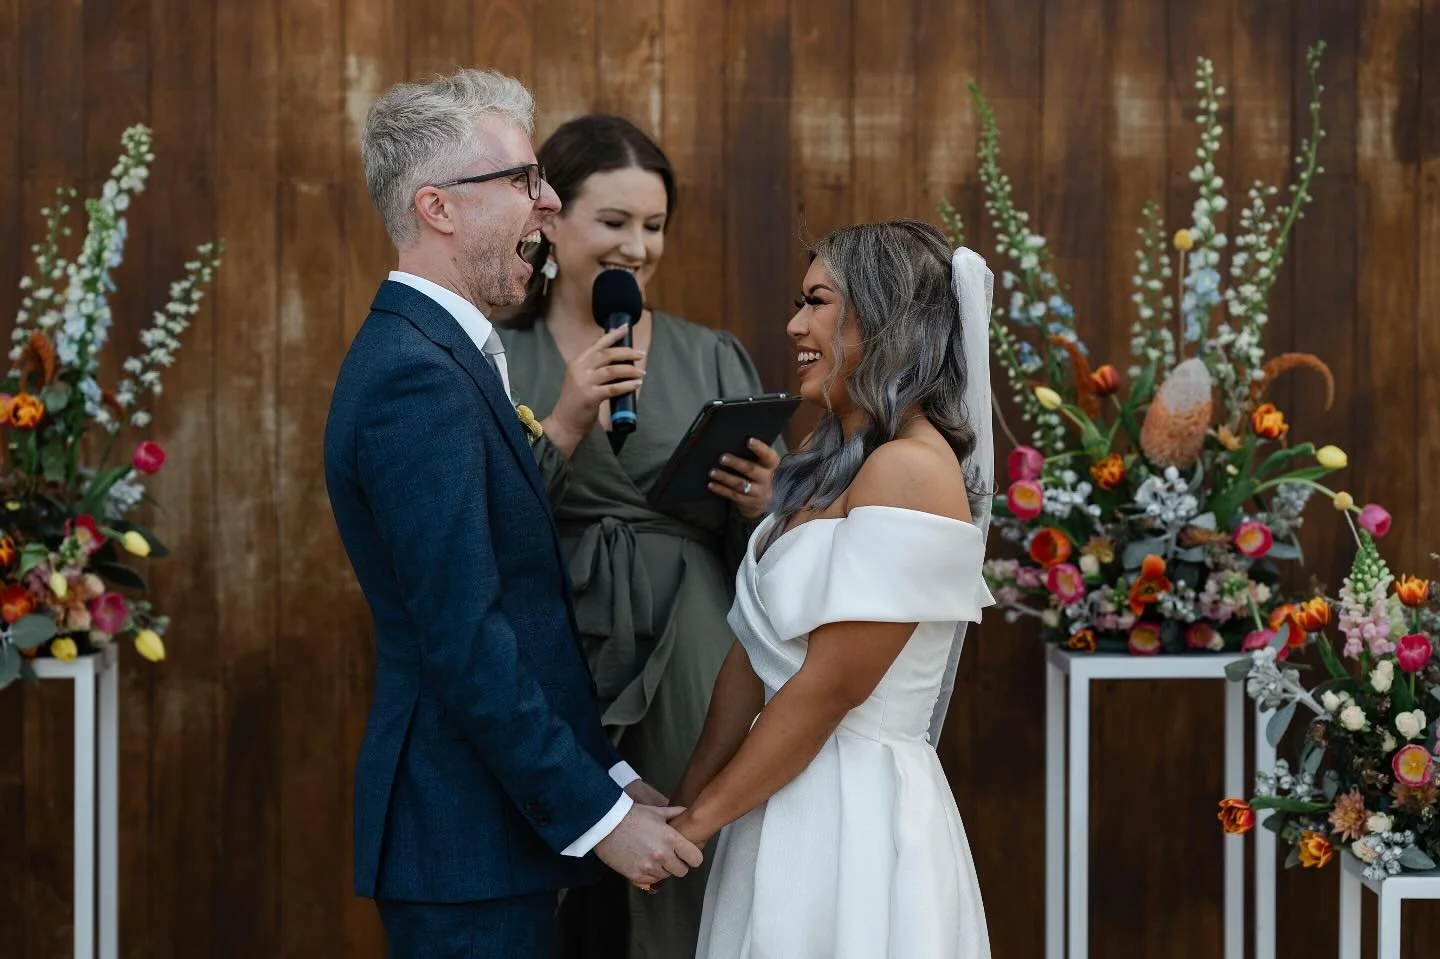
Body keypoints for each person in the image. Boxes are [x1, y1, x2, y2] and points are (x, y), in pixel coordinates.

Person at [322, 69, 703, 959]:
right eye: (526, 181)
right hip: (463, 847)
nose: (548, 204)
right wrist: (598, 816)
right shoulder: (417, 374)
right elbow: (467, 639)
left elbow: (523, 615)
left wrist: (610, 775)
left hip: (492, 839)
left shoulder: (443, 352)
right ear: (438, 208)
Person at [495, 113, 782, 959]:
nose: (638, 247)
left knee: (685, 863)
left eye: (653, 225)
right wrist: (564, 426)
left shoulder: (714, 355)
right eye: (614, 221)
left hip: (691, 640)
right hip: (556, 639)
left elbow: (782, 539)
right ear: (553, 219)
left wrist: (766, 503)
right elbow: (474, 525)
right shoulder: (501, 357)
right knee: (551, 872)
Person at [671, 219, 998, 958]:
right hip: (778, 793)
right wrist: (688, 801)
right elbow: (748, 657)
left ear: (884, 318)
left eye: (818, 301)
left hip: (854, 813)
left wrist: (697, 825)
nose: (795, 324)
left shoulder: (911, 468)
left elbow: (829, 688)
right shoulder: (827, 458)